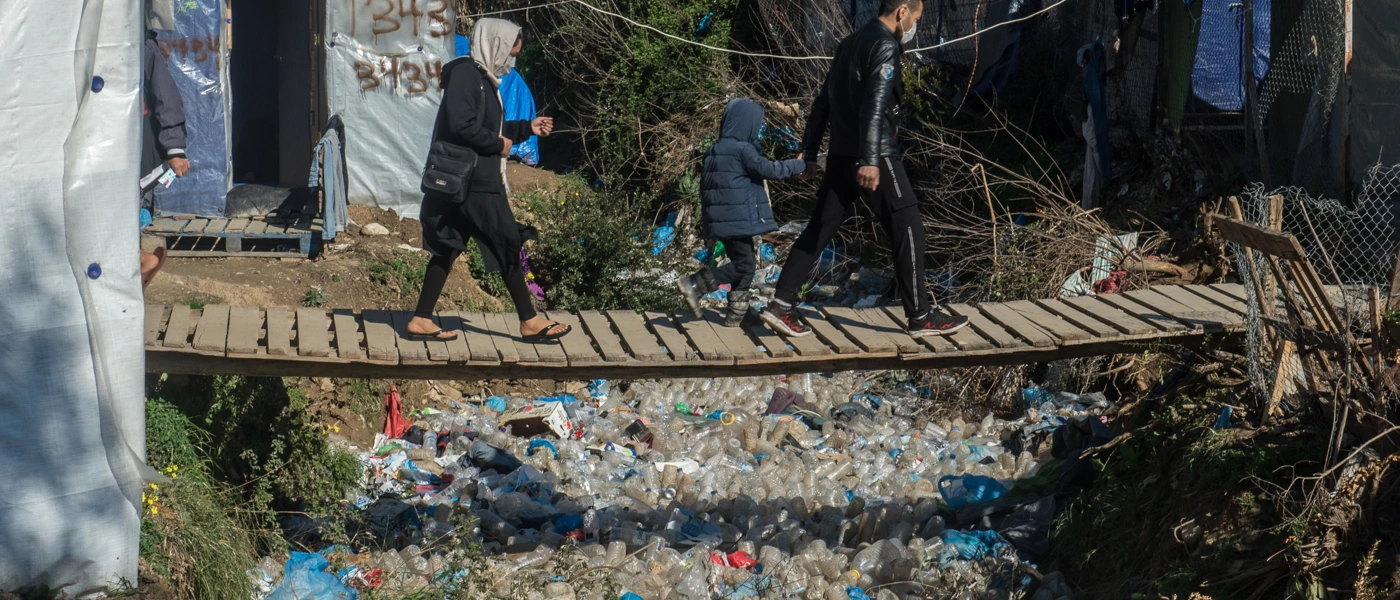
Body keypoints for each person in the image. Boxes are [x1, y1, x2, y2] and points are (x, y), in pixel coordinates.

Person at [759, 0, 969, 338]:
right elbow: (875, 107)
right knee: (908, 225)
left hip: (841, 154)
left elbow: (822, 103)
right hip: (876, 155)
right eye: (916, 17)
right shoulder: (885, 45)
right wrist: (871, 159)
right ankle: (921, 317)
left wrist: (808, 151)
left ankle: (781, 305)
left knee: (819, 228)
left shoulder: (848, 44)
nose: (914, 25)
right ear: (902, 11)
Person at [405, 18, 568, 342]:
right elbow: (461, 125)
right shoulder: (467, 75)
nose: (511, 60)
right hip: (475, 182)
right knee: (507, 240)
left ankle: (421, 319)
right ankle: (529, 321)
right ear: (493, 44)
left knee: (447, 246)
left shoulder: (484, 80)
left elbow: (486, 126)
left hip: (465, 182)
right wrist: (498, 146)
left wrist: (527, 128)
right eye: (510, 51)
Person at [677, 98, 806, 327]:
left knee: (744, 263)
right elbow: (770, 170)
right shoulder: (742, 150)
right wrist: (800, 164)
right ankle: (696, 284)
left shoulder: (713, 150)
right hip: (736, 219)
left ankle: (738, 314)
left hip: (721, 220)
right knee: (744, 265)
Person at [140, 28, 191, 289]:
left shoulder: (142, 46)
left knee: (124, 212)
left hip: (137, 152)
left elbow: (165, 96)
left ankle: (140, 262)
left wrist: (175, 150)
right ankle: (140, 262)